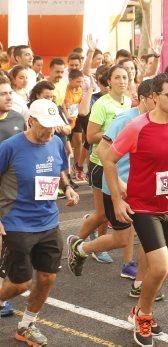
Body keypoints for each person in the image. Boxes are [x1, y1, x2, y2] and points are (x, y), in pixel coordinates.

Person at [99, 73, 168, 346]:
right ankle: (143, 314)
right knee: (161, 266)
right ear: (154, 97)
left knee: (161, 271)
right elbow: (108, 159)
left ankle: (140, 310)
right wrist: (119, 199)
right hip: (143, 207)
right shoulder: (137, 127)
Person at [0, 99, 79, 346]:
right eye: (44, 126)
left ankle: (27, 326)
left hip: (48, 221)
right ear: (30, 121)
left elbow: (59, 168)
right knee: (20, 283)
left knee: (47, 277)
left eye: (53, 126)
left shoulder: (55, 141)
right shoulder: (9, 148)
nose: (49, 131)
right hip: (16, 223)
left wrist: (67, 188)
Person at [66, 80, 156, 289]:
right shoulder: (125, 119)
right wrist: (119, 183)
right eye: (156, 97)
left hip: (142, 189)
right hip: (117, 187)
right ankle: (81, 248)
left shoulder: (154, 120)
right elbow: (101, 151)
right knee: (122, 239)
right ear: (144, 99)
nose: (160, 101)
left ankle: (140, 283)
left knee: (143, 236)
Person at [74, 64, 131, 265]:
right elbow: (90, 136)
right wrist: (115, 137)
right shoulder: (102, 104)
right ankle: (76, 243)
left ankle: (100, 247)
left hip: (120, 163)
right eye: (117, 77)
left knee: (109, 212)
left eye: (125, 77)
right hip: (100, 162)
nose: (122, 81)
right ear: (108, 81)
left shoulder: (129, 102)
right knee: (102, 214)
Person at [0, 75, 25, 318]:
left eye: (10, 92)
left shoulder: (18, 118)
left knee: (8, 246)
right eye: (3, 93)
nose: (8, 97)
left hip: (13, 195)